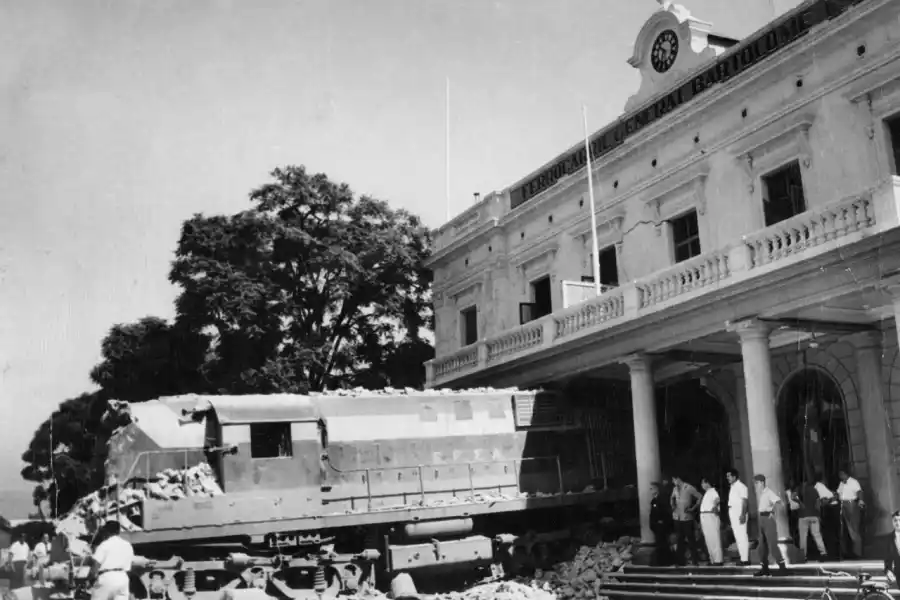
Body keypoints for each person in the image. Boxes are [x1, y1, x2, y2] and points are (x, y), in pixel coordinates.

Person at [90, 520, 134, 600]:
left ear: (107, 531)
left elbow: (95, 566)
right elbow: (129, 567)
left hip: (107, 578)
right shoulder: (128, 545)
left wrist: (90, 579)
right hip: (123, 578)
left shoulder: (104, 545)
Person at [753, 474, 787, 576]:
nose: (756, 485)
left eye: (757, 483)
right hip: (761, 519)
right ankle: (764, 568)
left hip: (768, 519)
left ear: (762, 482)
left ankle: (782, 567)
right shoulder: (762, 494)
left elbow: (779, 502)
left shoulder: (768, 492)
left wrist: (773, 513)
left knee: (772, 544)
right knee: (761, 546)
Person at [670, 475, 702, 566]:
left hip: (687, 517)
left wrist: (693, 508)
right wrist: (672, 506)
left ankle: (695, 561)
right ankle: (680, 562)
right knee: (679, 539)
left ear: (678, 479)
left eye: (674, 480)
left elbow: (699, 496)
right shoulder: (675, 489)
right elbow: (671, 498)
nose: (673, 482)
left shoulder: (688, 487)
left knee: (691, 539)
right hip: (677, 517)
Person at [795, 477, 829, 562]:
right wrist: (818, 515)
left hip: (803, 516)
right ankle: (823, 553)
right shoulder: (814, 490)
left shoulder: (799, 489)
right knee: (817, 534)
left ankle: (803, 556)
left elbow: (792, 496)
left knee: (803, 537)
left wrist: (799, 502)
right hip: (814, 516)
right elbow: (818, 503)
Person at [837, 468, 865, 559]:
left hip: (851, 504)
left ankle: (858, 553)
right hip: (843, 505)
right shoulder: (841, 483)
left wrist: (861, 500)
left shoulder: (853, 482)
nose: (840, 476)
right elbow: (838, 493)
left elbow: (859, 492)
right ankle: (846, 552)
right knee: (844, 528)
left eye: (841, 474)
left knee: (854, 528)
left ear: (845, 474)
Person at [726, 468, 751, 566]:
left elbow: (745, 501)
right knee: (738, 536)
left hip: (739, 512)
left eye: (729, 476)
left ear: (734, 476)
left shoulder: (741, 486)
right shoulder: (733, 487)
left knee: (742, 536)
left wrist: (743, 514)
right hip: (733, 511)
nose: (727, 478)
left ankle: (745, 559)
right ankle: (742, 558)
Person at [699, 477, 724, 566]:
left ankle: (718, 560)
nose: (702, 485)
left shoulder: (713, 491)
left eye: (703, 483)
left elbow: (717, 499)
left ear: (707, 483)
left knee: (714, 538)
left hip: (710, 515)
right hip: (705, 516)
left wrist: (715, 506)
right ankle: (712, 559)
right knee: (708, 539)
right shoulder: (707, 493)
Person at [649, 481, 674, 566]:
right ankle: (661, 561)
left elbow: (665, 512)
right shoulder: (654, 501)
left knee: (663, 544)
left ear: (657, 489)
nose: (650, 490)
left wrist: (662, 521)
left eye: (652, 489)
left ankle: (665, 562)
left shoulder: (662, 500)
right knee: (659, 543)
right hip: (656, 526)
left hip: (661, 526)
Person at [884, 510, 900, 589]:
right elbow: (888, 557)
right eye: (895, 520)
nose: (898, 523)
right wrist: (888, 570)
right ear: (892, 522)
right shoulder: (889, 538)